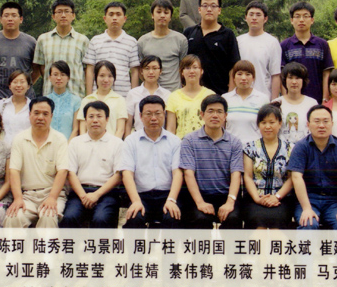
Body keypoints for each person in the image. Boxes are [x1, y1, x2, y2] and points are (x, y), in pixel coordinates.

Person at [118, 95, 183, 229]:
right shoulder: (131, 141)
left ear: (164, 115)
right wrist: (136, 201)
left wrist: (171, 200)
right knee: (134, 218)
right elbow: (127, 173)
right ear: (140, 116)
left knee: (172, 217)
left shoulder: (175, 141)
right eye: (148, 114)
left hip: (167, 195)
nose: (153, 118)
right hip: (141, 195)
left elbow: (177, 173)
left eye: (158, 113)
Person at [179, 95, 244, 229]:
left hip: (226, 195)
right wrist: (200, 202)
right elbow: (188, 174)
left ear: (225, 116)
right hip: (199, 195)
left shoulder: (235, 142)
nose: (215, 115)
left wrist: (230, 202)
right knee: (200, 220)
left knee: (233, 219)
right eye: (210, 111)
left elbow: (236, 174)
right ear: (202, 114)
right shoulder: (189, 140)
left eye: (219, 112)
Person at [4, 98, 69, 228]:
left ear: (51, 116)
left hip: (52, 194)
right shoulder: (19, 139)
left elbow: (62, 171)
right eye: (36, 113)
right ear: (29, 115)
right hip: (27, 196)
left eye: (45, 114)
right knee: (13, 218)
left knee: (48, 216)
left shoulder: (60, 139)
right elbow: (14, 171)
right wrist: (18, 198)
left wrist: (52, 198)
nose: (40, 117)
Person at [287, 105, 337, 230]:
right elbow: (296, 178)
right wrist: (307, 208)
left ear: (332, 124)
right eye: (317, 121)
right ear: (308, 124)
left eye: (326, 121)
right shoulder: (301, 147)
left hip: (334, 201)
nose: (321, 125)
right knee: (308, 223)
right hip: (309, 198)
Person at [60, 101, 124, 228]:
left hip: (106, 193)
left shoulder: (117, 143)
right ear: (85, 120)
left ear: (107, 119)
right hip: (80, 192)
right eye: (91, 116)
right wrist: (83, 196)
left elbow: (118, 175)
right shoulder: (75, 142)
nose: (95, 120)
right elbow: (71, 173)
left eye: (99, 116)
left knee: (102, 219)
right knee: (70, 217)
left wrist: (96, 195)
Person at [243, 104, 296, 229]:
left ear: (280, 123)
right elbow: (248, 176)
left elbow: (291, 178)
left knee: (277, 226)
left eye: (272, 122)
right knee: (258, 225)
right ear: (258, 125)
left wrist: (276, 197)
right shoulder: (250, 148)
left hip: (281, 199)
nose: (267, 126)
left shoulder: (290, 148)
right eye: (263, 122)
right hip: (254, 198)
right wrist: (257, 198)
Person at [0, 2, 37, 107]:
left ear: (21, 19)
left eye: (14, 15)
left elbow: (37, 69)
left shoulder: (31, 42)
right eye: (6, 16)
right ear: (1, 19)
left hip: (25, 100)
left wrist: (25, 85)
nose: (10, 19)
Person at [184, 0, 241, 95]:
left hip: (219, 94)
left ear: (219, 10)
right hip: (192, 94)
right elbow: (183, 64)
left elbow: (234, 67)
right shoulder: (189, 33)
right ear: (199, 9)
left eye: (213, 6)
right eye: (205, 6)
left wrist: (230, 94)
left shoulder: (227, 35)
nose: (209, 9)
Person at [33, 0, 90, 100]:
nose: (63, 15)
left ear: (73, 15)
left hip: (76, 96)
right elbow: (41, 67)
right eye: (59, 12)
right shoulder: (43, 39)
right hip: (50, 96)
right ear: (53, 16)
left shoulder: (83, 40)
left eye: (67, 11)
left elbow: (87, 70)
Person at [85, 1, 140, 98]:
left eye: (118, 14)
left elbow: (135, 72)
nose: (114, 18)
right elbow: (90, 70)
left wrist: (134, 97)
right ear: (105, 19)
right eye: (111, 14)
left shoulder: (132, 42)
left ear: (124, 18)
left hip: (123, 96)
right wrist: (89, 96)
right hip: (98, 96)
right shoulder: (95, 41)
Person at [281, 1, 333, 103]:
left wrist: (325, 98)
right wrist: (285, 99)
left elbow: (326, 74)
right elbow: (282, 75)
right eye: (297, 16)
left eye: (305, 16)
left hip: (317, 100)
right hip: (292, 100)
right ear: (291, 20)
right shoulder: (285, 45)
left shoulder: (322, 44)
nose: (301, 20)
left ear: (312, 20)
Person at [138, 0, 188, 92]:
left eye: (166, 12)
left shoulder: (180, 40)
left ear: (170, 16)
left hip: (174, 91)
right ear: (152, 15)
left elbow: (184, 68)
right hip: (151, 93)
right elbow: (140, 70)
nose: (162, 15)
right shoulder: (142, 41)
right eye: (158, 12)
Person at [237, 0, 282, 100]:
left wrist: (274, 101)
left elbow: (275, 74)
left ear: (265, 19)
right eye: (251, 14)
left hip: (263, 98)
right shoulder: (238, 41)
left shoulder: (272, 42)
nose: (254, 18)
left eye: (258, 15)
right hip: (240, 98)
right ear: (246, 17)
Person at [165, 55, 215, 138]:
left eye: (195, 67)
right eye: (187, 68)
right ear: (182, 72)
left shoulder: (210, 95)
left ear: (201, 71)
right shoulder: (173, 97)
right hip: (182, 143)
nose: (191, 71)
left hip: (205, 142)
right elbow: (170, 128)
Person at [222, 60, 270, 146]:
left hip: (255, 148)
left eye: (248, 74)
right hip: (230, 147)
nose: (244, 78)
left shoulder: (263, 99)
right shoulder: (225, 99)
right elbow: (222, 127)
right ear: (233, 78)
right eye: (239, 74)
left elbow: (267, 126)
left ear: (253, 78)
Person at [77, 60, 127, 138]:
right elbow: (82, 129)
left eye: (110, 76)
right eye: (102, 75)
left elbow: (120, 130)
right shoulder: (86, 100)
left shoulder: (120, 100)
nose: (106, 80)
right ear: (95, 77)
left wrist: (113, 144)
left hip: (112, 144)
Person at [125, 55, 172, 136]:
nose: (151, 72)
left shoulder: (167, 94)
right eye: (147, 68)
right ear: (141, 71)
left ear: (160, 71)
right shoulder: (133, 93)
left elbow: (169, 123)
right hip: (138, 137)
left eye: (154, 68)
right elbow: (128, 124)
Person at [273, 62, 318, 143]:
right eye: (290, 78)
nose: (294, 82)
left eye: (297, 78)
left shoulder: (312, 103)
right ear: (285, 80)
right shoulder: (276, 103)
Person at [0, 70, 32, 148]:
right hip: (4, 149)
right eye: (15, 82)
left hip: (25, 148)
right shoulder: (2, 104)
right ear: (10, 86)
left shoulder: (33, 107)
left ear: (28, 86)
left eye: (22, 82)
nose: (18, 85)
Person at [45, 61, 81, 139]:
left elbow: (76, 129)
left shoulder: (76, 101)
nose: (59, 78)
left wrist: (67, 144)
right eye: (55, 74)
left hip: (69, 143)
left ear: (68, 78)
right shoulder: (45, 101)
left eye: (63, 75)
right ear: (50, 77)